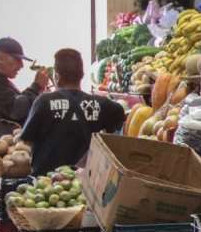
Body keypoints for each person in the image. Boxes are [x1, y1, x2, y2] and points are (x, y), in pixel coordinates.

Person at [20, 48, 125, 176]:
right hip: (83, 182)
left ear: (57, 76)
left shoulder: (43, 101)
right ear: (81, 75)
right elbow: (121, 116)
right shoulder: (101, 104)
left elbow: (26, 142)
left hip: (45, 183)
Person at [0, 37, 51, 140]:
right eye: (18, 59)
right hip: (7, 149)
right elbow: (16, 110)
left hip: (13, 147)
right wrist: (36, 87)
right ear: (0, 57)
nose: (21, 65)